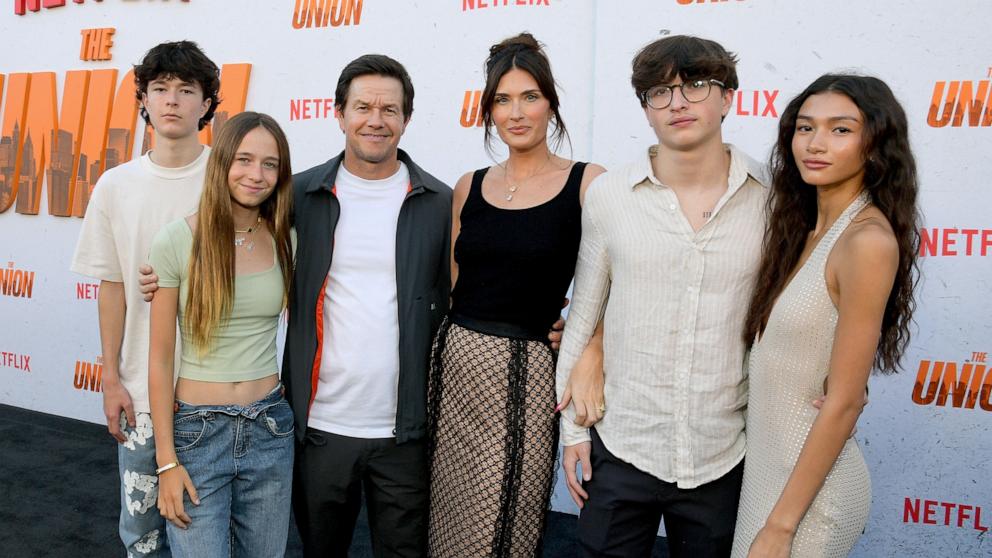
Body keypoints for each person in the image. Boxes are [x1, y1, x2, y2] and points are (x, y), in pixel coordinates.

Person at [554, 35, 768, 556]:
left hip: (724, 450)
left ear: (728, 98)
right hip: (624, 443)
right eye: (659, 92)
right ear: (646, 109)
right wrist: (572, 434)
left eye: (696, 85)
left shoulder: (774, 199)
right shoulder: (610, 196)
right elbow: (584, 314)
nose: (677, 102)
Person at [426, 33, 604, 557]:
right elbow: (458, 284)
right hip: (455, 368)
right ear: (488, 111)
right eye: (502, 100)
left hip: (525, 376)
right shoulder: (468, 184)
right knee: (448, 522)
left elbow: (621, 283)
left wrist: (589, 336)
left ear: (551, 104)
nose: (516, 112)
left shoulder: (588, 184)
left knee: (507, 522)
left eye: (530, 97)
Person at [731, 75, 919, 558]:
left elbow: (845, 402)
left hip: (808, 502)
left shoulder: (867, 241)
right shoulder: (803, 231)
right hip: (769, 476)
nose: (815, 144)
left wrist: (780, 527)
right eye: (805, 127)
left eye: (840, 130)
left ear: (876, 145)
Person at [282, 54, 451, 557]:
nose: (375, 120)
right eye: (362, 107)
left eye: (389, 109)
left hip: (405, 431)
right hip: (321, 428)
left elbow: (467, 295)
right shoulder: (300, 195)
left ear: (406, 118)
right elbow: (238, 254)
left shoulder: (440, 203)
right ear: (338, 113)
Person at [70, 40, 220, 557]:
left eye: (185, 90)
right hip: (139, 388)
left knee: (208, 531)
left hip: (215, 391)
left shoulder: (230, 179)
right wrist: (111, 377)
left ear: (206, 104)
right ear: (144, 100)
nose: (172, 100)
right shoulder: (115, 185)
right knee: (143, 536)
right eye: (160, 89)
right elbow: (112, 287)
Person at [147, 112, 296, 557]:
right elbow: (159, 358)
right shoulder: (176, 240)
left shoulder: (287, 238)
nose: (257, 174)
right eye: (245, 159)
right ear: (222, 162)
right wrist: (166, 461)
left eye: (270, 164)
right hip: (196, 433)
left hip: (270, 427)